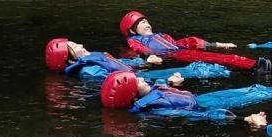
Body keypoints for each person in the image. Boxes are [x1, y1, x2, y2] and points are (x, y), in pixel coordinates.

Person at [100, 71, 272, 122]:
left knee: (256, 87)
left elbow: (164, 91)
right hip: (206, 105)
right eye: (139, 81)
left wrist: (173, 84)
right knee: (261, 95)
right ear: (132, 94)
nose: (143, 79)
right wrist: (240, 118)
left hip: (204, 97)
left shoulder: (151, 92)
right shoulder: (154, 108)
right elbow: (193, 116)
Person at [120, 10, 271, 73]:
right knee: (215, 58)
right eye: (142, 23)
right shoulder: (135, 40)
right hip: (172, 55)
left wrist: (218, 44)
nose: (147, 24)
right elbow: (138, 48)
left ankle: (251, 65)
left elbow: (184, 42)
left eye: (147, 21)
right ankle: (254, 65)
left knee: (212, 54)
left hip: (178, 51)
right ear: (132, 30)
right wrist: (149, 56)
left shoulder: (162, 36)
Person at [45, 38, 231, 82]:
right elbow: (111, 77)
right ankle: (228, 72)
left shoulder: (93, 59)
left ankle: (226, 71)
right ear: (69, 60)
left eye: (75, 43)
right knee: (195, 69)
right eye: (73, 47)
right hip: (141, 79)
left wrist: (143, 61)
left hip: (140, 73)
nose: (79, 45)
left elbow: (119, 64)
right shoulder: (87, 70)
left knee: (197, 68)